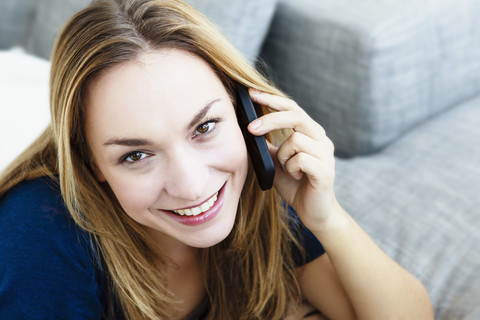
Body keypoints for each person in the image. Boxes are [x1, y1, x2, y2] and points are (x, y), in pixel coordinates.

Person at [0, 0, 434, 319]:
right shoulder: (39, 233)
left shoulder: (257, 188)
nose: (191, 185)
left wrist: (328, 218)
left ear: (246, 112)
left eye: (204, 128)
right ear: (90, 162)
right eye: (136, 155)